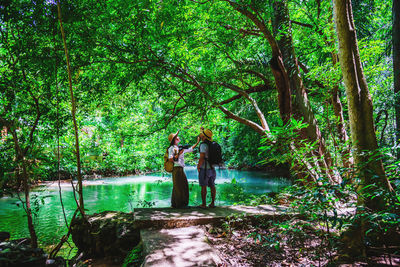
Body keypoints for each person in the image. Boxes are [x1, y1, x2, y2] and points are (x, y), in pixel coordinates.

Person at [168, 130, 200, 208]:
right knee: (180, 186)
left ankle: (175, 204)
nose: (178, 137)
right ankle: (180, 205)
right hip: (177, 169)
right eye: (176, 137)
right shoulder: (172, 148)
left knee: (180, 186)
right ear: (174, 140)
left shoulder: (178, 147)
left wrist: (197, 142)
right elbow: (171, 159)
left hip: (180, 169)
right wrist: (179, 154)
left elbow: (189, 149)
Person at [197, 127, 216, 208]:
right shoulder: (213, 144)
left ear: (204, 137)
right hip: (212, 168)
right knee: (212, 186)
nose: (201, 136)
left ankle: (204, 204)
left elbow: (202, 157)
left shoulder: (203, 145)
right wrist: (202, 130)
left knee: (203, 186)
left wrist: (198, 166)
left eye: (202, 135)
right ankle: (212, 203)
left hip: (204, 169)